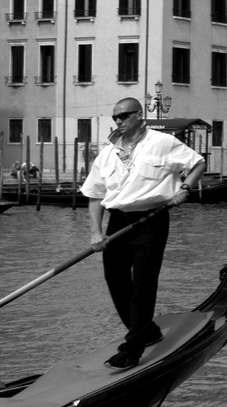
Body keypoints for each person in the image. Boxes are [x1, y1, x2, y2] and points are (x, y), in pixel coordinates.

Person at [81, 98, 205, 369]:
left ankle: (133, 348)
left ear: (139, 115)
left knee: (143, 285)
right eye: (115, 117)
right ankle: (146, 330)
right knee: (116, 282)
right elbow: (94, 195)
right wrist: (95, 233)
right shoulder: (108, 152)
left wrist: (185, 189)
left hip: (152, 219)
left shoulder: (162, 142)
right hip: (118, 223)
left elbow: (197, 163)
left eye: (124, 116)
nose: (119, 121)